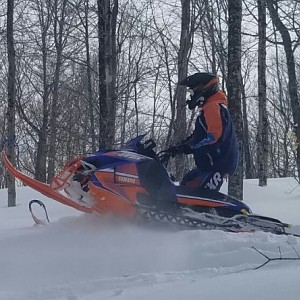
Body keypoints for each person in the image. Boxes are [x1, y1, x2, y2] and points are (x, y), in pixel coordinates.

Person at [169, 72, 239, 192]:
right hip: (210, 165)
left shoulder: (213, 107)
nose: (191, 96)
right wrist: (180, 147)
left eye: (192, 92)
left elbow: (214, 138)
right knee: (186, 185)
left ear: (203, 89)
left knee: (198, 199)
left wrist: (191, 147)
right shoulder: (210, 107)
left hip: (218, 165)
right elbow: (199, 137)